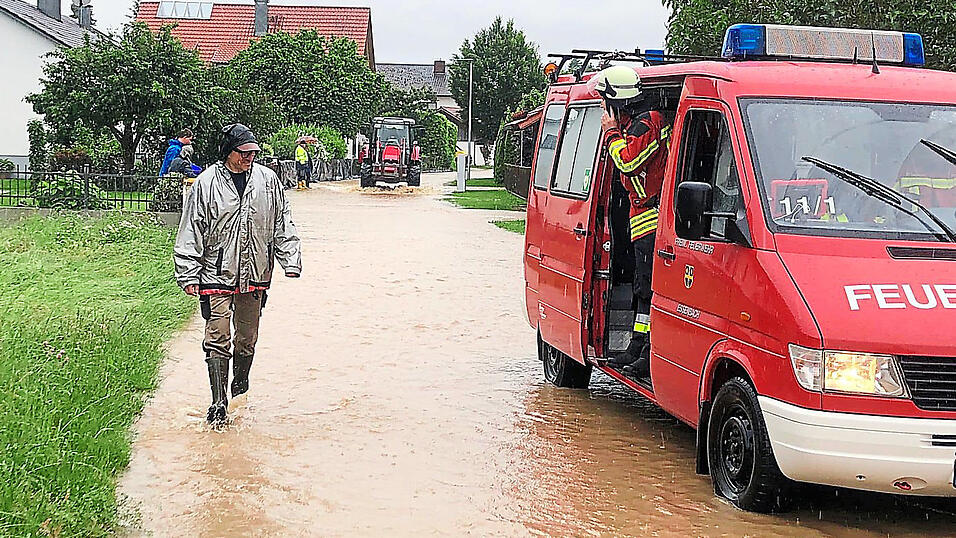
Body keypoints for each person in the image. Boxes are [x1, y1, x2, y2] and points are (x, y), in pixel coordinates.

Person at [174, 123, 302, 427]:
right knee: (218, 337)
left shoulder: (268, 181)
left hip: (255, 273)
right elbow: (191, 229)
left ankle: (239, 390)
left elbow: (282, 222)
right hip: (215, 273)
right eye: (243, 153)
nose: (249, 158)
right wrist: (188, 272)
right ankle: (218, 403)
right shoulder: (205, 184)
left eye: (253, 153)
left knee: (247, 339)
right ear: (228, 152)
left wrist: (291, 259)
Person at [594, 65, 672, 377]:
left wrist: (610, 132)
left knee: (650, 287)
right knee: (642, 286)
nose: (603, 109)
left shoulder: (646, 125)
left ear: (619, 103)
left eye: (604, 103)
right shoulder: (637, 123)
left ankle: (648, 351)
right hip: (641, 216)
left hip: (654, 218)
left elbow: (628, 162)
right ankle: (638, 346)